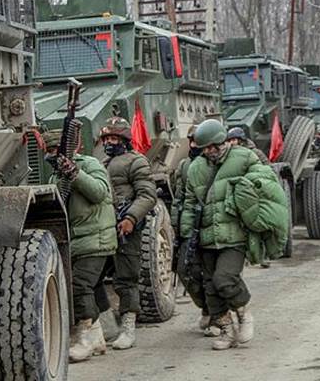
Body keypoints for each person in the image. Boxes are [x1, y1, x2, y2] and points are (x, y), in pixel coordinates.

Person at [181, 119, 261, 350]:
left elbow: (263, 184)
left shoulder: (244, 158)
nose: (208, 152)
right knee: (210, 288)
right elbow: (189, 202)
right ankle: (226, 330)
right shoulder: (196, 168)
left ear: (221, 142)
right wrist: (186, 235)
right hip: (206, 237)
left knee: (224, 279)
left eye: (211, 147)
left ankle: (244, 314)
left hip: (233, 236)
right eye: (204, 148)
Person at [43, 130, 117, 363]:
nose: (51, 155)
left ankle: (85, 338)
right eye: (48, 151)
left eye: (55, 150)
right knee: (91, 287)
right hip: (77, 242)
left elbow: (99, 192)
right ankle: (97, 337)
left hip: (96, 238)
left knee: (79, 286)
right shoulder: (55, 177)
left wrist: (75, 173)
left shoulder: (90, 164)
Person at [99, 117, 157, 350]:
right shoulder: (103, 163)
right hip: (104, 228)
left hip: (126, 228)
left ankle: (128, 327)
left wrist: (131, 217)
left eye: (114, 138)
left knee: (126, 279)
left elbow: (148, 195)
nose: (109, 142)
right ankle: (107, 326)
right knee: (91, 277)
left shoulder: (136, 161)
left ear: (124, 140)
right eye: (106, 138)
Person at [171, 125, 220, 336]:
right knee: (185, 271)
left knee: (212, 274)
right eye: (191, 141)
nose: (194, 145)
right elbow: (179, 198)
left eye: (197, 141)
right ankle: (206, 306)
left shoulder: (217, 164)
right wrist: (176, 228)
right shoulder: (184, 166)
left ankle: (216, 315)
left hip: (210, 226)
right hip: (189, 227)